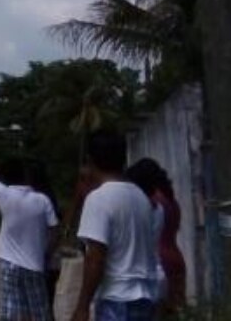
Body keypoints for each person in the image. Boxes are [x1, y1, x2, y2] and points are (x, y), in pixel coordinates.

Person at [70, 130, 159, 321]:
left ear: (90, 160)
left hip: (117, 299)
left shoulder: (98, 199)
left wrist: (82, 307)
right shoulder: (140, 197)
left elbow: (95, 258)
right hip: (146, 298)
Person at [0, 158, 60, 321]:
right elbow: (55, 231)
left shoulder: (3, 194)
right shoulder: (42, 200)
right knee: (40, 313)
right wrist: (46, 254)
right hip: (34, 265)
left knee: (10, 313)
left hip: (9, 265)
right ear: (25, 176)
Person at [125, 158, 186, 314]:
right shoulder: (171, 199)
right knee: (176, 314)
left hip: (160, 263)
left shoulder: (152, 201)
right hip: (176, 258)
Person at [28, 160, 64, 316]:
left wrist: (45, 254)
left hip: (38, 259)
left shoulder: (34, 199)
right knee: (47, 303)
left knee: (34, 306)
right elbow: (56, 229)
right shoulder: (50, 197)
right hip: (51, 261)